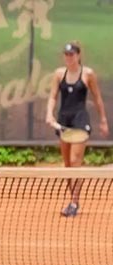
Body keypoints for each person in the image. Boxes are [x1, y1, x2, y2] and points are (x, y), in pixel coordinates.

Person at [46, 41, 109, 217]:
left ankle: (75, 202)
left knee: (75, 162)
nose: (69, 57)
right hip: (64, 121)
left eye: (72, 54)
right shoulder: (59, 74)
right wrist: (49, 114)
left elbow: (97, 98)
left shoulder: (88, 74)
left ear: (78, 55)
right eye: (66, 54)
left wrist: (103, 120)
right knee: (67, 165)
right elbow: (52, 97)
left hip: (80, 121)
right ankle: (72, 200)